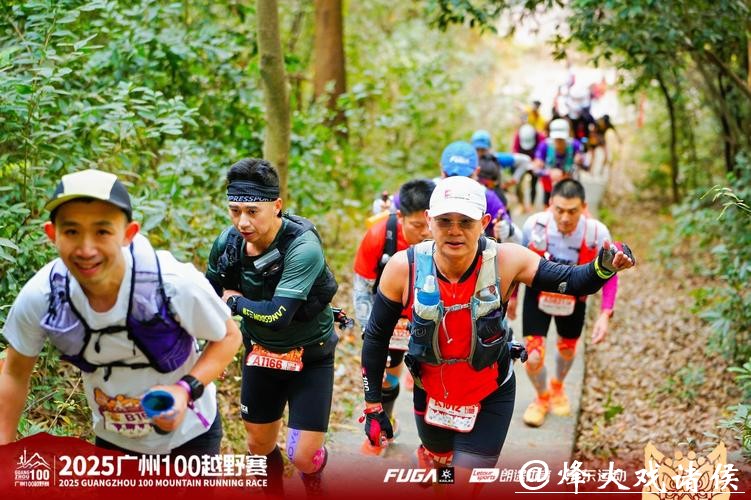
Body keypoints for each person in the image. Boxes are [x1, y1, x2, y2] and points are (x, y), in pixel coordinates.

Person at [360, 176, 634, 486]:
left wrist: (603, 266)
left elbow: (571, 280)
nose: (454, 230)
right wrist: (373, 405)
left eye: (466, 221)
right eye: (445, 220)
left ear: (484, 222)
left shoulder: (506, 260)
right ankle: (435, 468)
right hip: (432, 394)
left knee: (464, 484)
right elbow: (376, 337)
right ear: (428, 220)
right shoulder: (403, 268)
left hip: (489, 394)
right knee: (443, 474)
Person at [0, 169, 241, 456]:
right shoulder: (44, 296)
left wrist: (184, 389)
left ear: (129, 234)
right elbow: (14, 373)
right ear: (52, 234)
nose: (86, 249)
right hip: (113, 439)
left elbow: (228, 336)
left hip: (190, 435)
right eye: (72, 231)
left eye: (102, 231)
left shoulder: (173, 284)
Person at [205, 158, 339, 497]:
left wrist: (235, 303)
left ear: (276, 206)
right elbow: (207, 297)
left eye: (253, 211)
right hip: (261, 353)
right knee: (258, 446)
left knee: (302, 456)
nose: (242, 221)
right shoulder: (228, 243)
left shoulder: (303, 247)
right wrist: (212, 346)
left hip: (310, 356)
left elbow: (279, 315)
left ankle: (313, 476)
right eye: (235, 211)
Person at [514, 179, 620, 428]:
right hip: (537, 297)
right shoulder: (534, 225)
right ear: (550, 204)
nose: (564, 218)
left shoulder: (597, 233)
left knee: (567, 350)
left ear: (584, 207)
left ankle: (558, 387)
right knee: (533, 357)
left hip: (574, 300)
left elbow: (611, 273)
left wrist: (605, 313)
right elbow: (517, 262)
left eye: (572, 211)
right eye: (559, 210)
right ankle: (541, 398)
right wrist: (513, 298)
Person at [353, 179, 435, 450]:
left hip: (432, 317)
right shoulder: (379, 236)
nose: (426, 232)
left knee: (434, 381)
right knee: (385, 376)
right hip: (390, 317)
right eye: (417, 225)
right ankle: (382, 426)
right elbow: (362, 288)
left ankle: (436, 448)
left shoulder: (446, 236)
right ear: (400, 217)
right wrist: (368, 330)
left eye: (430, 223)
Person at [445, 139, 511, 239]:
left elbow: (508, 224)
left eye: (466, 177)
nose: (458, 184)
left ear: (477, 171)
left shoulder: (487, 197)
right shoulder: (431, 194)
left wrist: (506, 228)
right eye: (451, 177)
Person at [533, 118, 584, 205]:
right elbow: (535, 170)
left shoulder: (575, 145)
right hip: (549, 187)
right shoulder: (544, 146)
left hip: (569, 186)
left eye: (561, 139)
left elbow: (584, 164)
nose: (559, 142)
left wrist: (580, 160)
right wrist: (549, 172)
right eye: (557, 139)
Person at [512, 124, 546, 212]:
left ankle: (531, 204)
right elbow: (514, 153)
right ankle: (521, 204)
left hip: (535, 163)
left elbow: (543, 152)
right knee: (518, 184)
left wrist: (537, 162)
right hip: (522, 164)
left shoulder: (540, 137)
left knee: (533, 184)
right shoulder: (517, 137)